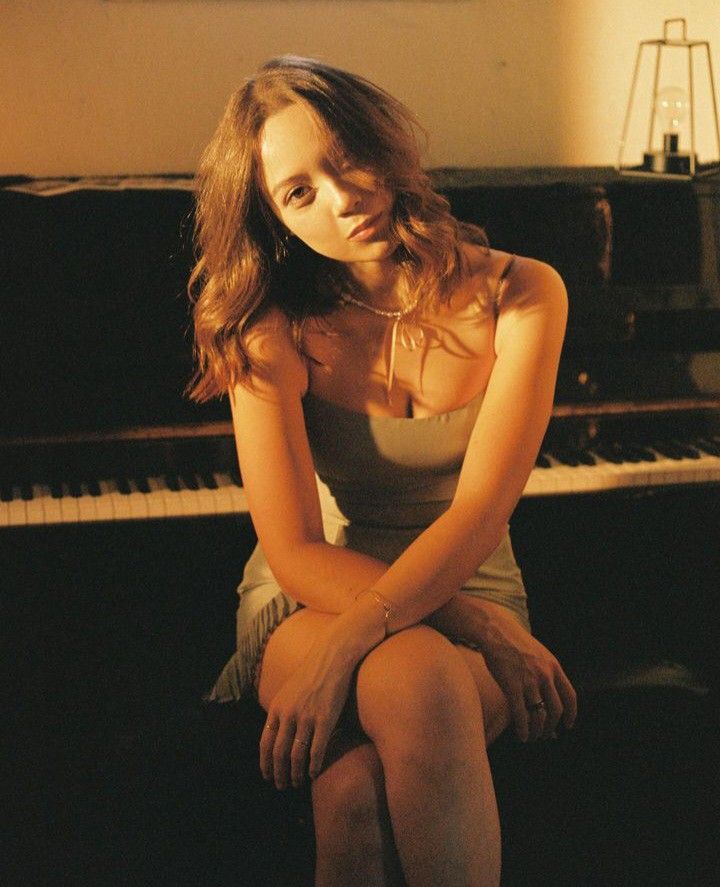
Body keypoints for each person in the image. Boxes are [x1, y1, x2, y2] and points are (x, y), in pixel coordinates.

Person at [188, 55, 577, 887]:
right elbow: (292, 548)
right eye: (300, 192)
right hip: (311, 598)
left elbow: (479, 512)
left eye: (346, 157)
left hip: (472, 578)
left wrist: (368, 643)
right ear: (273, 217)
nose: (344, 198)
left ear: (386, 141)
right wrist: (467, 626)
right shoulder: (271, 326)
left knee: (355, 789)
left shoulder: (526, 292)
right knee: (426, 669)